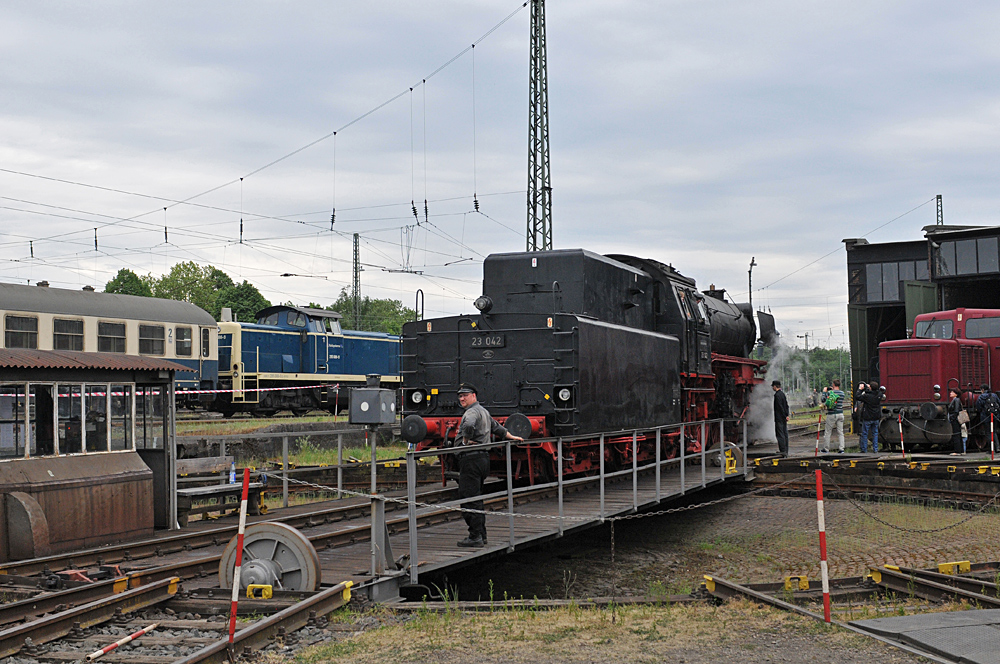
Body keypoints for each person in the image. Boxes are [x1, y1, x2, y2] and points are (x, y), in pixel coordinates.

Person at [454, 383, 523, 548]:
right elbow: (496, 428)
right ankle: (481, 535)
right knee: (476, 498)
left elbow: (469, 425)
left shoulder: (471, 412)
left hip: (471, 458)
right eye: (460, 396)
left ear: (474, 396)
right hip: (482, 458)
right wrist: (511, 436)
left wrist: (464, 441)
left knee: (468, 498)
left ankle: (475, 536)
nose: (462, 398)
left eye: (465, 395)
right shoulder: (483, 411)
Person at [856, 382, 885, 454]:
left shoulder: (867, 396)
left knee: (865, 433)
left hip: (868, 417)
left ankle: (864, 449)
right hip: (876, 417)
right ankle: (875, 449)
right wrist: (870, 388)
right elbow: (878, 392)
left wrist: (860, 389)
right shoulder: (879, 395)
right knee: (875, 433)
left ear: (871, 388)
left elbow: (857, 396)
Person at [821, 379, 846, 453]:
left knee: (828, 432)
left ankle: (826, 449)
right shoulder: (842, 393)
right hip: (840, 414)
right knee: (840, 432)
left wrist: (824, 392)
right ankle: (841, 449)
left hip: (832, 414)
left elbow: (823, 400)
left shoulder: (829, 393)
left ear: (833, 384)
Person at [771, 380, 789, 457]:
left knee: (780, 434)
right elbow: (786, 405)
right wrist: (786, 415)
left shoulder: (777, 395)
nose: (772, 387)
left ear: (775, 386)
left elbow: (780, 407)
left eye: (773, 386)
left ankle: (782, 450)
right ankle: (786, 450)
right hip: (784, 417)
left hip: (779, 418)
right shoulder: (782, 394)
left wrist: (783, 415)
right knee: (785, 434)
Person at [948, 386, 964, 455]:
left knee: (956, 434)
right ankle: (961, 450)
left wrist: (952, 418)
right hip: (955, 419)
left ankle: (957, 451)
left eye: (952, 392)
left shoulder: (956, 400)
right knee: (958, 434)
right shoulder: (956, 400)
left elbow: (956, 410)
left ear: (956, 394)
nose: (950, 393)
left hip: (955, 420)